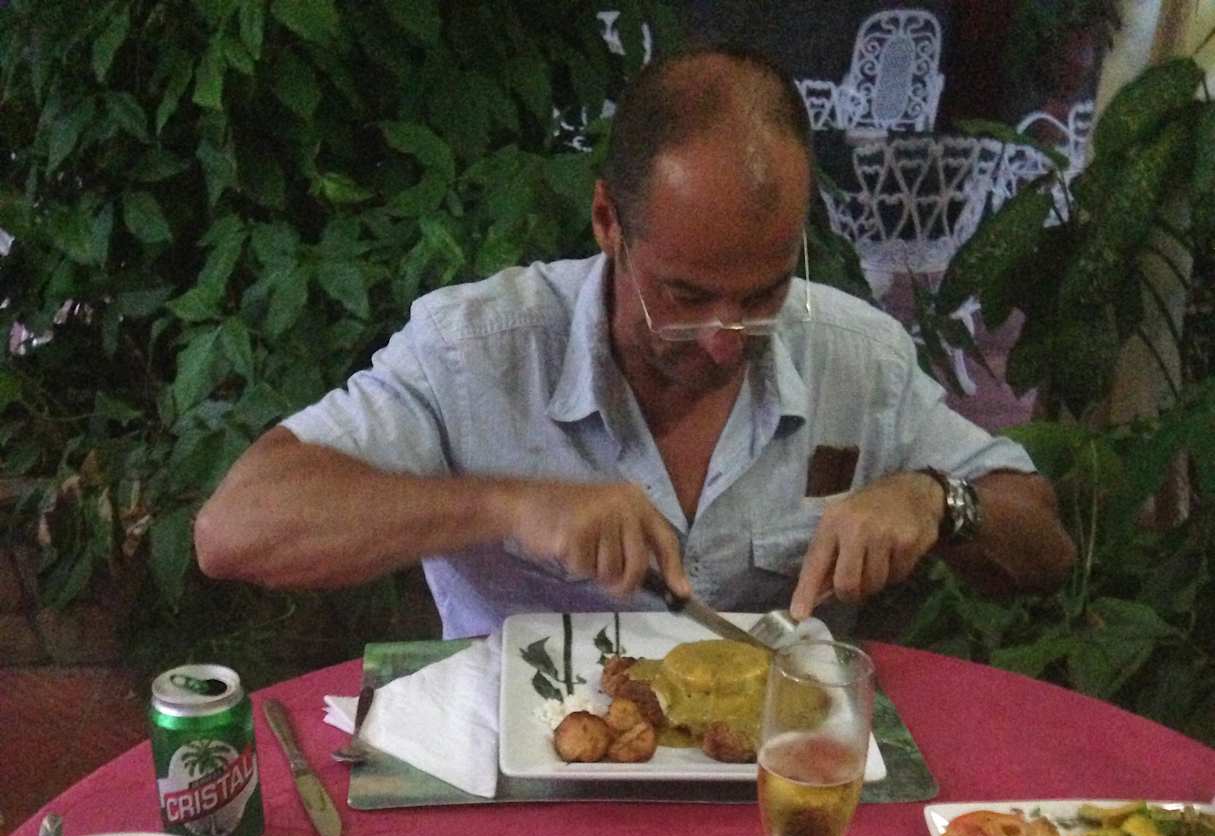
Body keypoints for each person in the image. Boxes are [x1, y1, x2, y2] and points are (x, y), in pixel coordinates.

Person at [194, 45, 1074, 638]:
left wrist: (936, 501)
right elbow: (234, 531)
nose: (725, 342)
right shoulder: (479, 349)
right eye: (686, 296)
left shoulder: (856, 356)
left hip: (769, 793)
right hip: (522, 795)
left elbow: (1043, 545)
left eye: (762, 294)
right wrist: (507, 507)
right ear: (607, 220)